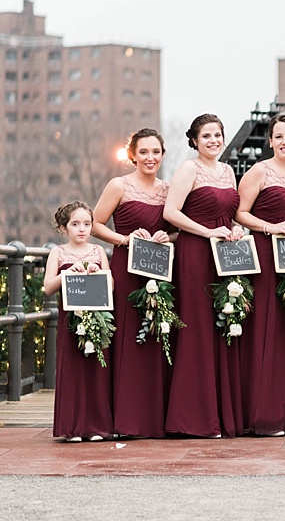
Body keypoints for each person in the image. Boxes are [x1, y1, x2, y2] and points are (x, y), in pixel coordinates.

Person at [163, 113, 244, 438]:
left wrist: (235, 230)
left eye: (217, 134)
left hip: (224, 256)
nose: (213, 140)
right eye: (206, 135)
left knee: (221, 326)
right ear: (195, 140)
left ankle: (221, 415)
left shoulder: (227, 171)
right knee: (196, 330)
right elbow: (171, 212)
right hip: (195, 254)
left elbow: (232, 214)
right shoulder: (188, 169)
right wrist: (208, 232)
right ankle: (193, 419)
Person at [235, 113, 285, 436]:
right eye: (278, 136)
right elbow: (239, 213)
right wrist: (269, 227)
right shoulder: (259, 171)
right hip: (265, 257)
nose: (284, 142)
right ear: (269, 141)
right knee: (264, 330)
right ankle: (262, 414)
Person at [92, 128, 172, 439]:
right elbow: (96, 224)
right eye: (144, 152)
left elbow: (178, 228)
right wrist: (124, 239)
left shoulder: (168, 190)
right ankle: (125, 419)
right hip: (126, 269)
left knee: (156, 336)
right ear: (133, 156)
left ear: (162, 155)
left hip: (160, 272)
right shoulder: (119, 185)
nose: (150, 158)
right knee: (127, 337)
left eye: (156, 152)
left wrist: (169, 236)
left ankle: (154, 418)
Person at [43, 201, 113, 442]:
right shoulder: (58, 252)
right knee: (72, 368)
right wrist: (67, 273)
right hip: (69, 320)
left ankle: (96, 426)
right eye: (75, 224)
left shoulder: (98, 252)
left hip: (97, 317)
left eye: (86, 224)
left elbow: (111, 286)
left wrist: (98, 273)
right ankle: (72, 427)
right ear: (64, 228)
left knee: (96, 369)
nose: (82, 229)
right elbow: (47, 288)